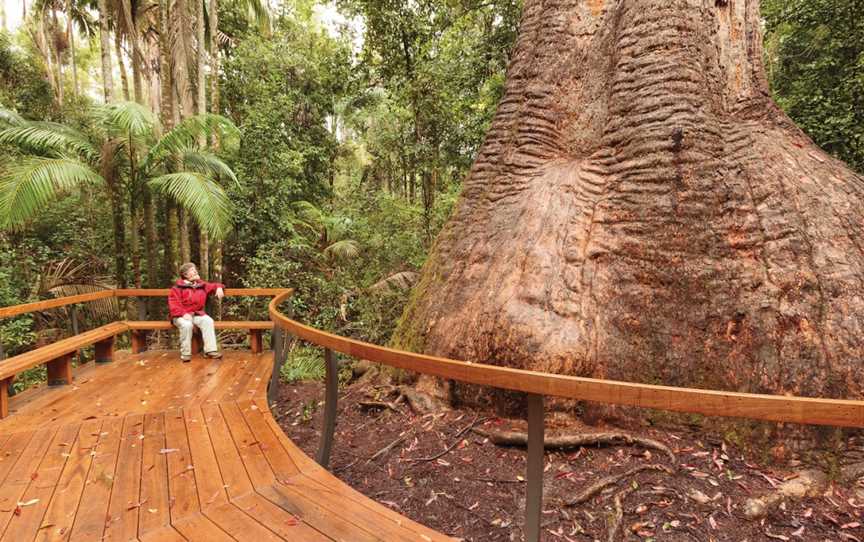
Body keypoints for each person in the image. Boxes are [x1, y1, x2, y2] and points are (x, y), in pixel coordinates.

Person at [168, 262, 225, 362]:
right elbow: (173, 305)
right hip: (180, 316)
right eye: (192, 271)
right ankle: (185, 354)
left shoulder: (201, 285)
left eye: (195, 270)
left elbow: (214, 285)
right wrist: (183, 314)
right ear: (185, 275)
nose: (195, 272)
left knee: (208, 321)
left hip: (196, 314)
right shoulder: (177, 288)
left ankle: (210, 351)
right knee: (187, 325)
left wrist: (219, 287)